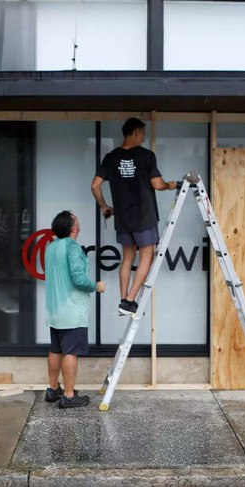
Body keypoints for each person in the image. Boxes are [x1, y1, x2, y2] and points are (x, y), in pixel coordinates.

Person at [91, 118, 177, 316]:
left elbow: (95, 185)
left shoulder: (111, 157)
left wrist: (104, 206)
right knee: (147, 254)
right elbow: (157, 184)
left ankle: (123, 301)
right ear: (136, 132)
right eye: (143, 133)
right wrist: (168, 185)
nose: (144, 137)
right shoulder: (146, 155)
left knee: (128, 257)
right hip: (144, 216)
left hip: (123, 217)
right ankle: (130, 301)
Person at [44, 210, 106, 408]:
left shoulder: (51, 247)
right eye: (76, 220)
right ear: (73, 227)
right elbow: (78, 279)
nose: (79, 222)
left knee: (56, 349)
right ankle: (69, 395)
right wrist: (96, 286)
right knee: (70, 352)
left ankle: (53, 389)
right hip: (71, 310)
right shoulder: (72, 247)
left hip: (54, 308)